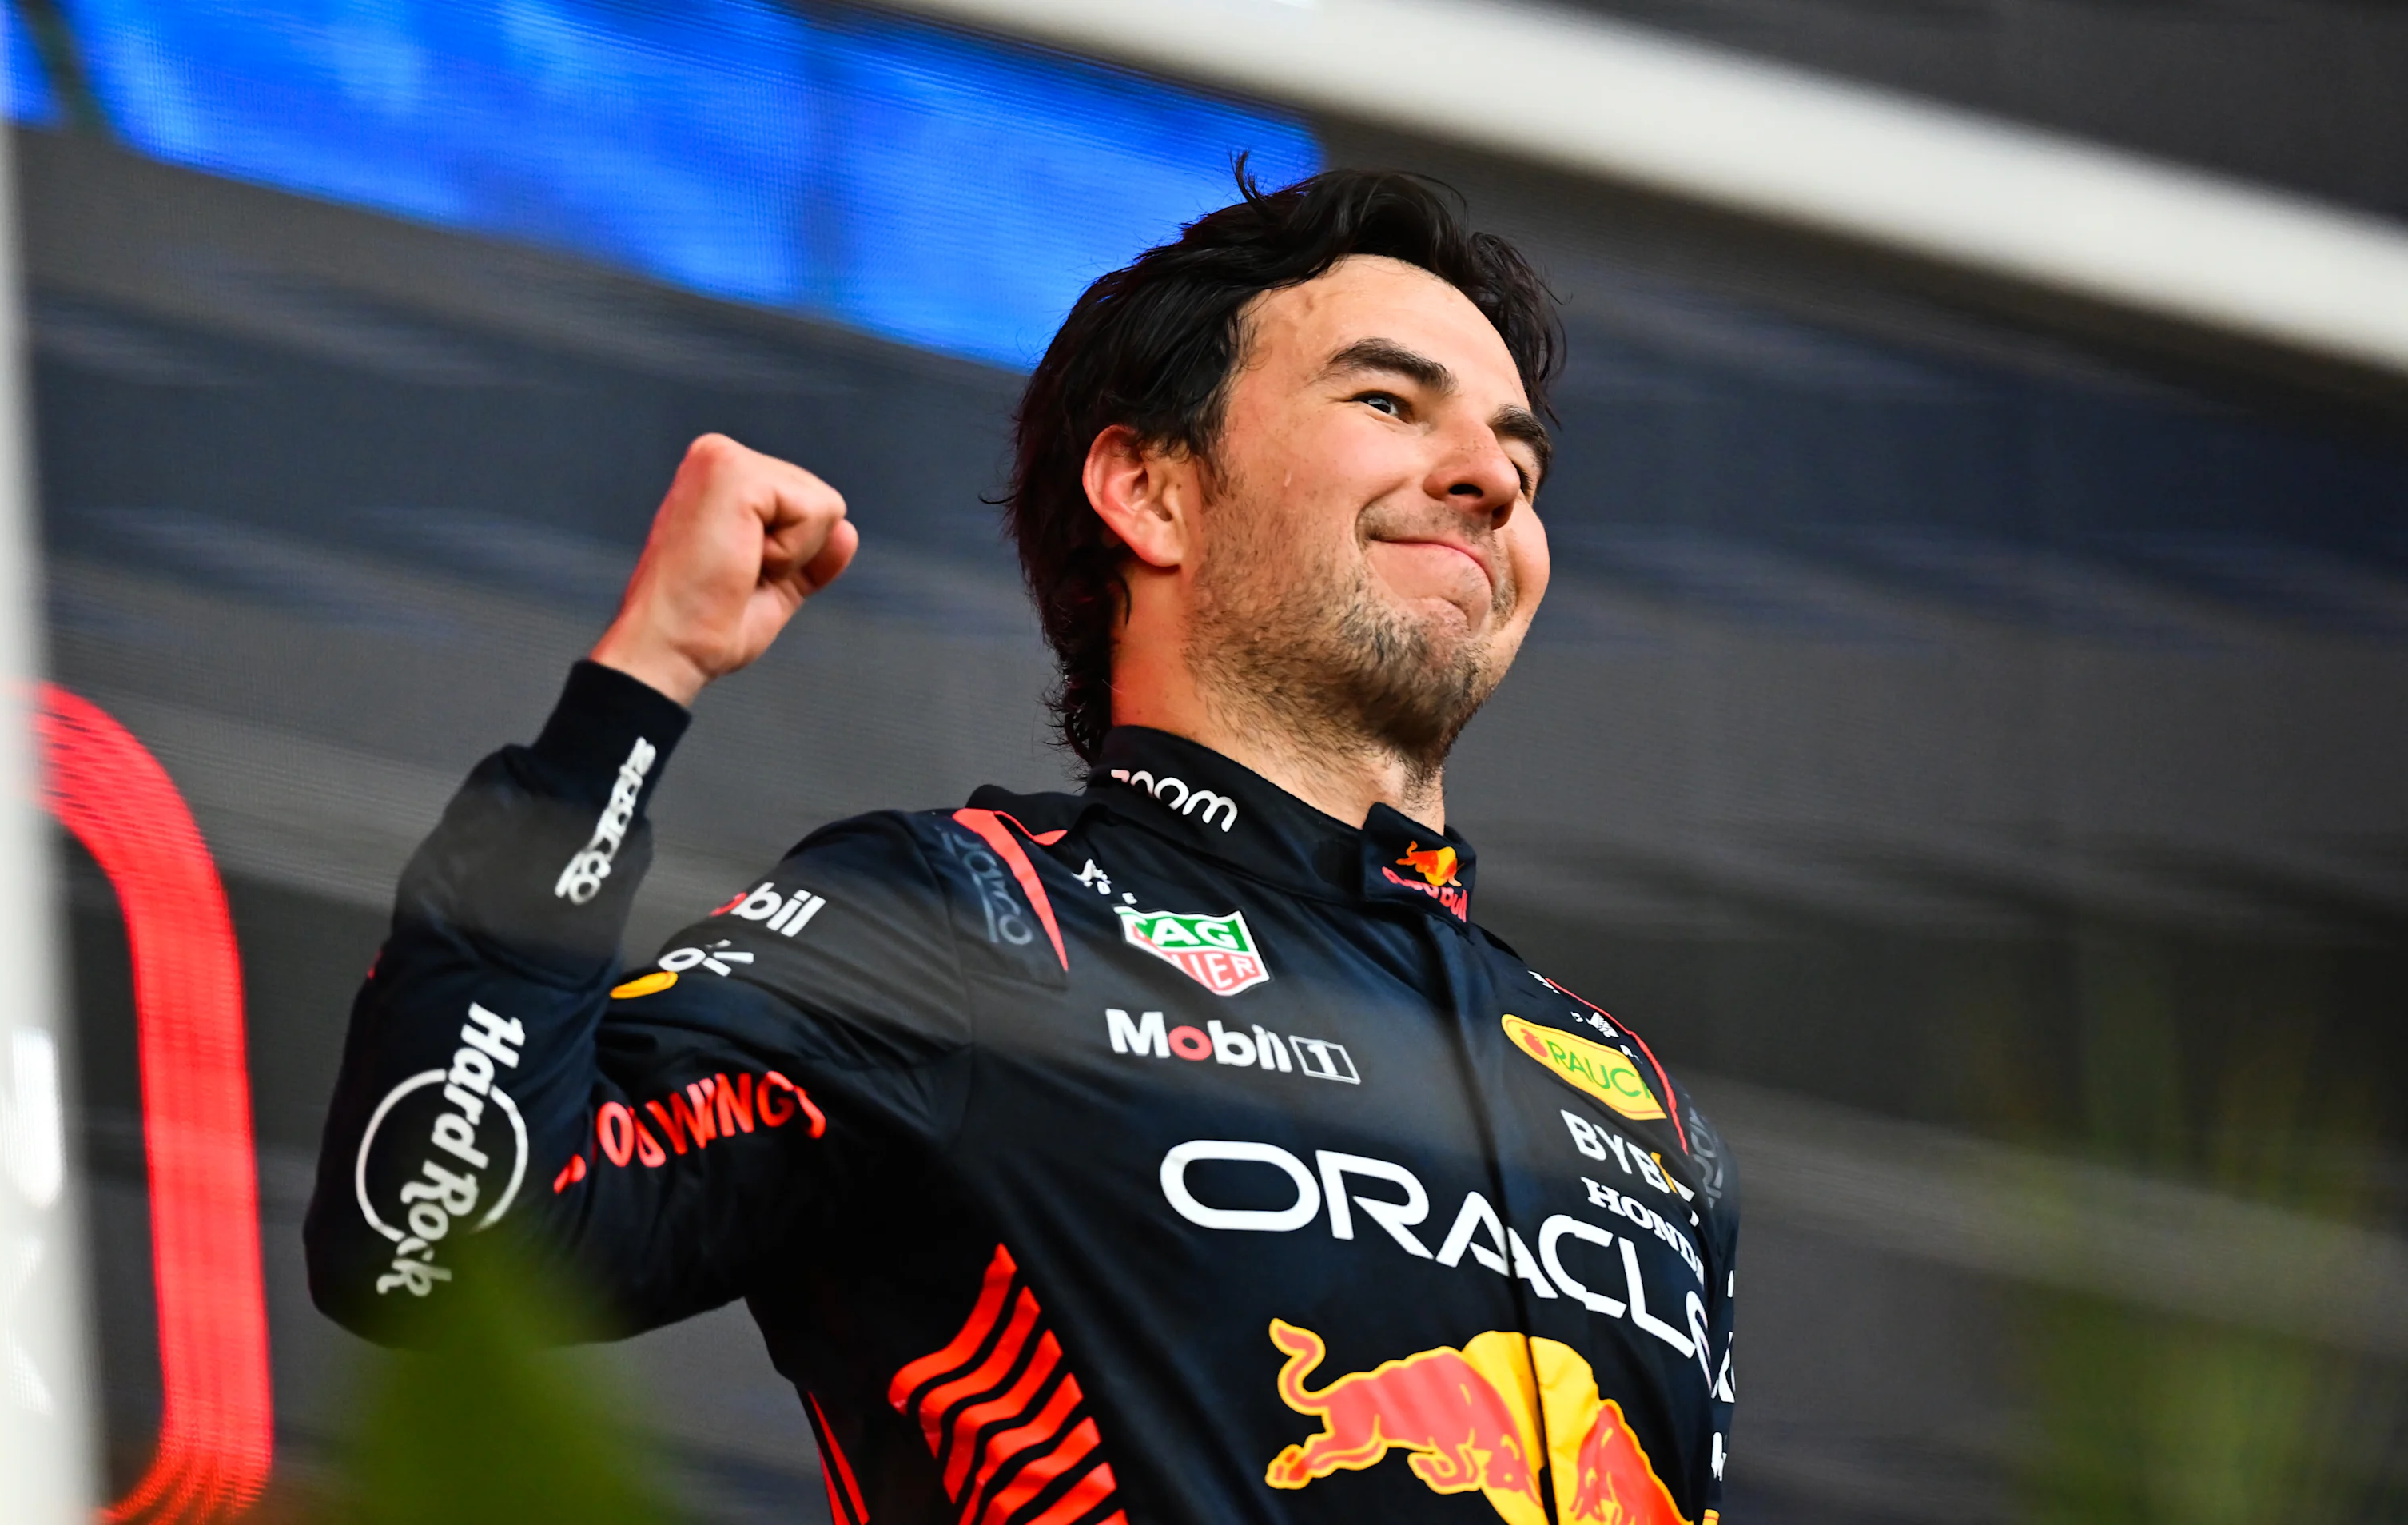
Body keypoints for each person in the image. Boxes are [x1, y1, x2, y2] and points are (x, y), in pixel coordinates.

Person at [306, 169, 1738, 1525]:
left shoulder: (1638, 1103)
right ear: (1150, 492)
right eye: (1389, 401)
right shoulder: (970, 920)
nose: (1490, 479)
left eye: (1520, 456)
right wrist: (636, 686)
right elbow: (433, 1234)